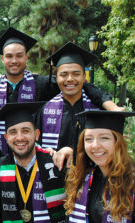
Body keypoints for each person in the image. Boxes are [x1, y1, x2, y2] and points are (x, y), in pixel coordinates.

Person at [0, 27, 119, 153]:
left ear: (26, 57)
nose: (14, 60)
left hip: (35, 158)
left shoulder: (42, 84)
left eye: (19, 55)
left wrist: (109, 103)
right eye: (9, 56)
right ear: (3, 59)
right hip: (2, 156)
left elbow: (78, 86)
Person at [60, 110, 135, 223]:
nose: (95, 145)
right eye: (89, 139)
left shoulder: (132, 182)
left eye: (104, 138)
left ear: (118, 141)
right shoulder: (82, 177)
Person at [36, 42, 121, 170]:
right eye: (63, 74)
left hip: (90, 176)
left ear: (84, 77)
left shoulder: (98, 109)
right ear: (56, 78)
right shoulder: (45, 110)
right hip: (54, 179)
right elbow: (36, 143)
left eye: (76, 74)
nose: (70, 79)